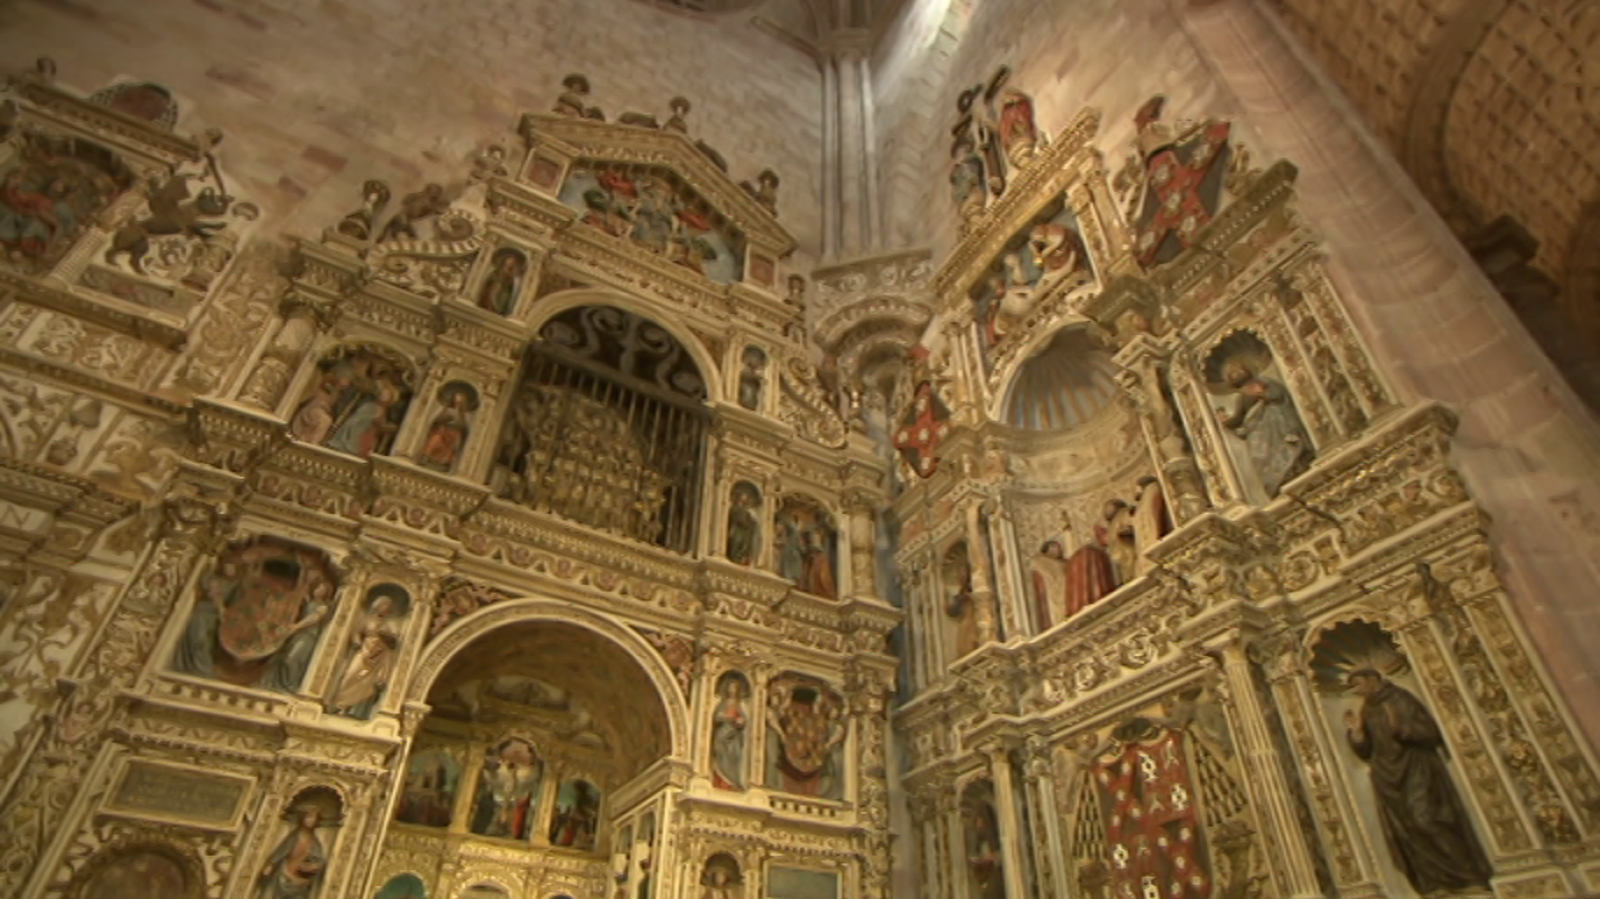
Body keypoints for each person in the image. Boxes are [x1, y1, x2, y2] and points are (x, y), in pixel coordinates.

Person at [1344, 670, 1493, 894]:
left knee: (1426, 820)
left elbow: (1431, 733)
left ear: (1373, 680)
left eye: (1358, 684)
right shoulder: (1367, 710)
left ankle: (1469, 877)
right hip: (1387, 777)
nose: (1356, 691)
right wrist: (1357, 734)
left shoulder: (1400, 699)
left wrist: (1403, 729)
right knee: (1407, 829)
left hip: (1417, 768)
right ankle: (1432, 884)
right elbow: (1367, 751)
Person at [1215, 360, 1313, 498]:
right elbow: (1239, 418)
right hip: (1259, 433)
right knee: (1260, 455)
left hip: (1278, 422)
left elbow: (1279, 395)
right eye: (1234, 375)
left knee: (1288, 446)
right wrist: (1225, 421)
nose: (1237, 374)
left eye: (1238, 371)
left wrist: (1263, 395)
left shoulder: (1265, 382)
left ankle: (1297, 468)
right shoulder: (1243, 397)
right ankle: (1280, 482)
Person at [257, 803, 328, 899]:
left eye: (313, 818)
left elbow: (319, 860)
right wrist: (271, 864)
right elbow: (281, 851)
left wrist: (313, 866)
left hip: (301, 880)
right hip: (285, 874)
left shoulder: (314, 841)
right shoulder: (294, 836)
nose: (310, 821)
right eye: (308, 817)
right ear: (302, 819)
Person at [711, 676, 748, 789]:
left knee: (734, 757)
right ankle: (721, 780)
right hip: (723, 733)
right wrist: (724, 717)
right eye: (730, 688)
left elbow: (743, 719)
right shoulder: (722, 703)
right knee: (720, 754)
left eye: (734, 688)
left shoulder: (740, 705)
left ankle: (732, 781)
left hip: (734, 736)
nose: (732, 690)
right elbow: (717, 717)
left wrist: (740, 721)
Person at [1029, 540, 1069, 630]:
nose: (1058, 551)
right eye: (1054, 548)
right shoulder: (1041, 562)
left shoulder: (1064, 563)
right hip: (1053, 593)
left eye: (1059, 548)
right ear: (1046, 551)